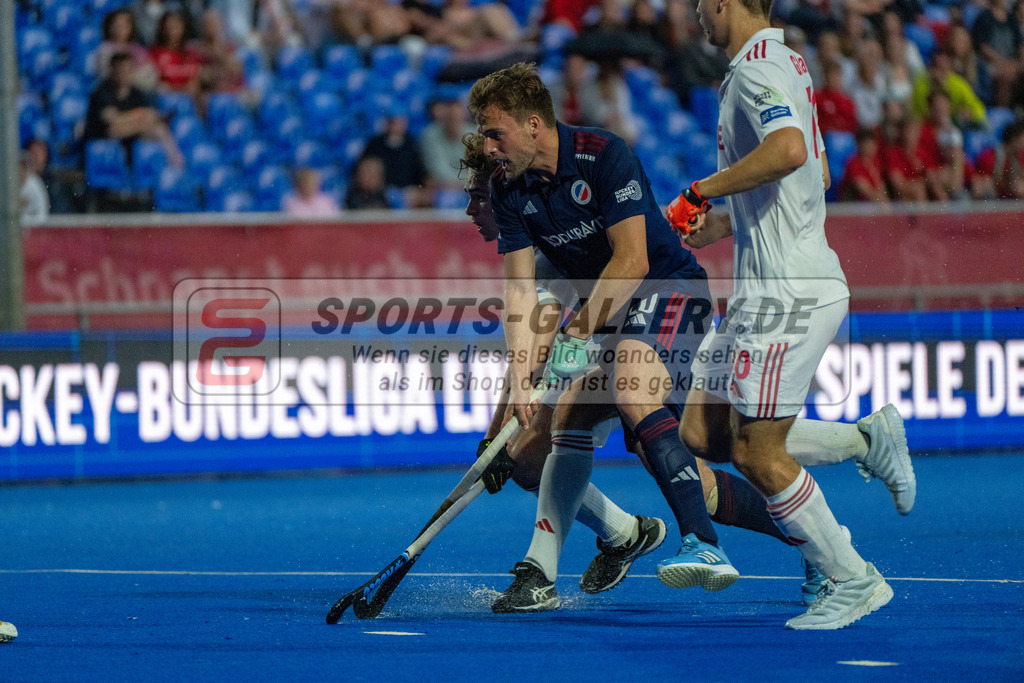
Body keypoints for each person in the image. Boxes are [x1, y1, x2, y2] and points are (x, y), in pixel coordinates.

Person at [665, 0, 908, 630]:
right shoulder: (787, 62)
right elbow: (817, 171)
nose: (697, 17)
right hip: (761, 291)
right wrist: (725, 224)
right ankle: (863, 440)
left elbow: (792, 150)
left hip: (786, 293)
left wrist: (702, 190)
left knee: (757, 454)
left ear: (723, 3)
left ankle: (853, 578)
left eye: (700, 6)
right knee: (704, 434)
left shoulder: (754, 72)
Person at [469, 62, 741, 613]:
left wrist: (578, 329)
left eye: (494, 132)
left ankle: (704, 544)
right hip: (608, 316)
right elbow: (521, 296)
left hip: (669, 291)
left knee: (647, 401)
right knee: (558, 431)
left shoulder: (601, 153)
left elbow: (635, 260)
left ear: (533, 125)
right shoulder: (508, 189)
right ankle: (547, 570)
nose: (487, 145)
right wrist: (521, 384)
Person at [84, 51, 184, 167]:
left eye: (128, 70)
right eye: (120, 70)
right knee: (119, 128)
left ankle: (176, 164)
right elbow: (113, 122)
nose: (124, 74)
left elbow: (148, 118)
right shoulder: (102, 92)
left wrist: (138, 119)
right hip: (103, 139)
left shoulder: (136, 93)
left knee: (157, 128)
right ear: (112, 70)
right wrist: (140, 115)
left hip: (128, 138)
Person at [840, 127, 889, 202]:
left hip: (872, 207)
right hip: (854, 209)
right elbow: (867, 192)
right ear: (859, 145)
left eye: (872, 143)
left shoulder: (876, 163)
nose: (870, 147)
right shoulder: (853, 163)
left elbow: (882, 189)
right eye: (867, 143)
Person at [20, 152, 50, 222]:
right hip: (16, 226)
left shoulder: (35, 184)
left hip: (34, 225)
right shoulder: (10, 185)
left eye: (21, 168)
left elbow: (42, 210)